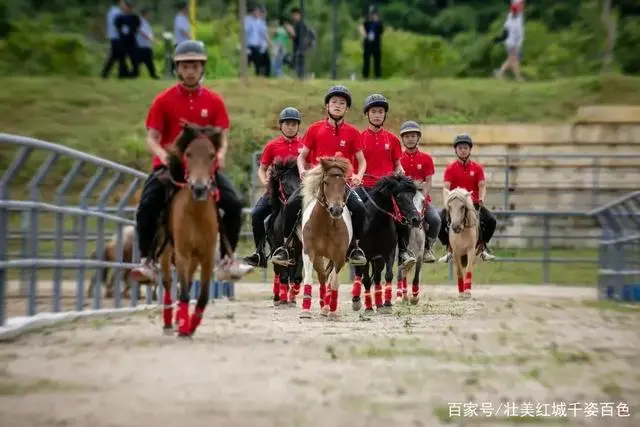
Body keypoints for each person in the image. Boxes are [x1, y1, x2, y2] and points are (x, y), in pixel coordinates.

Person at [130, 40, 253, 283]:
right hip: (171, 168)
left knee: (234, 204)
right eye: (185, 66)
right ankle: (147, 261)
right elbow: (152, 138)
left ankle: (228, 258)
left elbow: (223, 136)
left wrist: (221, 154)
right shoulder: (163, 101)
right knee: (147, 205)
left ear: (202, 67)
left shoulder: (214, 101)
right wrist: (163, 155)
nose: (190, 71)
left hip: (205, 167)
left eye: (194, 65)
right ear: (177, 68)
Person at [270, 85, 367, 267]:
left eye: (342, 103)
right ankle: (285, 246)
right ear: (327, 106)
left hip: (341, 183)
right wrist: (301, 170)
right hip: (316, 181)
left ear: (347, 108)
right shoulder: (315, 129)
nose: (337, 105)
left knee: (360, 209)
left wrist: (359, 175)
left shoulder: (353, 133)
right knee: (291, 204)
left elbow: (362, 161)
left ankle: (355, 247)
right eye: (334, 102)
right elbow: (302, 157)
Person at [356, 94, 416, 269]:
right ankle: (353, 248)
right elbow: (355, 164)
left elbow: (398, 165)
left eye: (380, 111)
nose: (377, 115)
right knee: (353, 209)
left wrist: (402, 176)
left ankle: (404, 251)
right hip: (365, 186)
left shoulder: (393, 140)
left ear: (384, 115)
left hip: (388, 189)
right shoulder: (359, 138)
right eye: (373, 111)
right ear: (367, 114)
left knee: (404, 212)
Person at [243, 107, 303, 268]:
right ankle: (259, 253)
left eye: (293, 124)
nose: (290, 127)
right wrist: (266, 183)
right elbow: (262, 169)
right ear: (280, 125)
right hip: (275, 193)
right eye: (287, 123)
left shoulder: (304, 146)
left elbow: (310, 167)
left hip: (298, 194)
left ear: (298, 126)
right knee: (256, 215)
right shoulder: (272, 146)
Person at [437, 133, 497, 263]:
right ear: (456, 150)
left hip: (473, 203)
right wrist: (446, 203)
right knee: (438, 220)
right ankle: (448, 248)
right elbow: (446, 187)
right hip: (455, 204)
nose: (463, 150)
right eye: (460, 148)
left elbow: (482, 186)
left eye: (465, 147)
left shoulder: (477, 168)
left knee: (491, 220)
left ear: (470, 149)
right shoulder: (450, 169)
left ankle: (482, 247)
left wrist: (481, 198)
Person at [398, 120, 441, 263]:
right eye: (407, 136)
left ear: (418, 138)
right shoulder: (398, 158)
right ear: (403, 139)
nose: (410, 139)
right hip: (404, 199)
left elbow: (428, 182)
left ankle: (428, 248)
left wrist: (423, 197)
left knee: (435, 219)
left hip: (421, 197)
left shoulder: (426, 159)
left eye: (413, 136)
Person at [494, 1, 524, 81]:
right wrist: (518, 46)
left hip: (511, 42)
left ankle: (499, 73)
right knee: (515, 60)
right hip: (512, 43)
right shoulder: (516, 19)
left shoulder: (512, 17)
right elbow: (518, 34)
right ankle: (518, 77)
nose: (522, 7)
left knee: (511, 60)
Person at [113, 0, 140, 78]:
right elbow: (117, 28)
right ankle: (123, 73)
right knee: (122, 58)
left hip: (131, 40)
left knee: (134, 58)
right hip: (123, 40)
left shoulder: (134, 17)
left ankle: (134, 73)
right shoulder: (119, 18)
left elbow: (137, 28)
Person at [101, 0, 126, 78]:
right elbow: (120, 26)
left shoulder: (111, 11)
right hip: (117, 37)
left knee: (117, 56)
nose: (124, 4)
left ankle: (120, 74)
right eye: (123, 2)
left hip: (112, 36)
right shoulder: (118, 12)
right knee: (117, 56)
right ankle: (119, 74)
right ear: (119, 2)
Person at [134, 7, 159, 79]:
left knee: (148, 61)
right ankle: (152, 75)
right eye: (149, 14)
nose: (150, 15)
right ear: (146, 14)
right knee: (141, 62)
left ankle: (153, 75)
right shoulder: (141, 22)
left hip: (146, 46)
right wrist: (152, 39)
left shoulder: (146, 22)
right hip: (142, 46)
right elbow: (143, 32)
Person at [360, 7, 384, 79]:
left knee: (377, 60)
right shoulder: (367, 23)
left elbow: (381, 32)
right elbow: (362, 29)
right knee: (366, 61)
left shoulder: (379, 23)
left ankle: (378, 75)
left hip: (376, 44)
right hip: (367, 44)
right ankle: (365, 76)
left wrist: (376, 21)